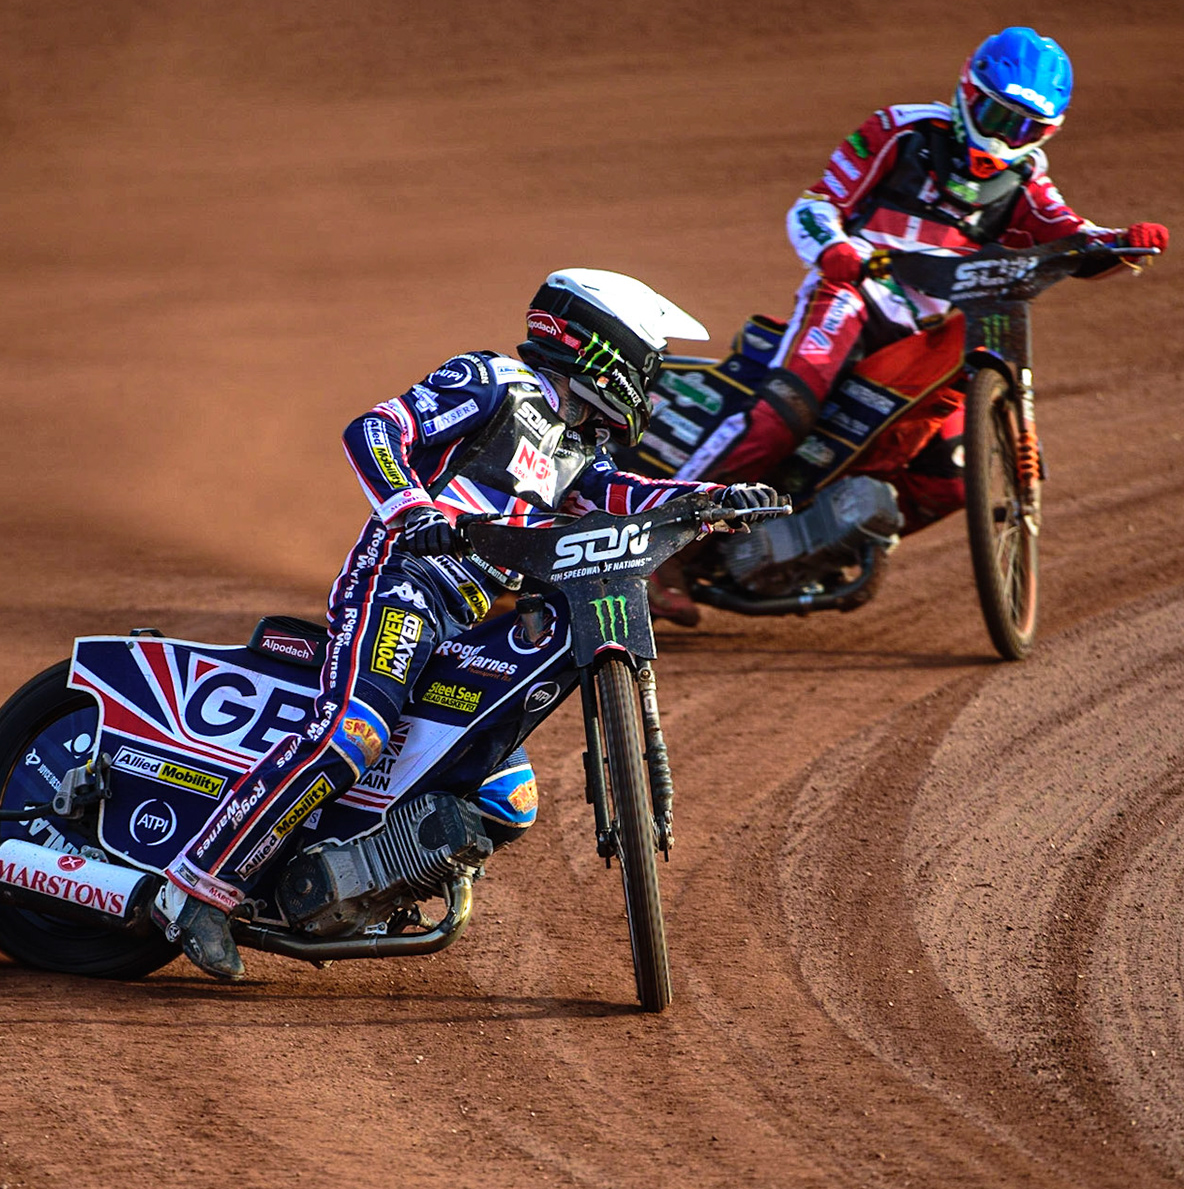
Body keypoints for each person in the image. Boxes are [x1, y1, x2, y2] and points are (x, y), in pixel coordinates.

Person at [151, 269, 777, 980]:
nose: (651, 384)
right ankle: (195, 889)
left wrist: (718, 497)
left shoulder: (577, 449)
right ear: (606, 350)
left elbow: (629, 494)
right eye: (647, 364)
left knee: (505, 797)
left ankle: (358, 882)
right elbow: (377, 429)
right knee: (353, 730)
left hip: (467, 618)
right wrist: (411, 509)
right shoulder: (493, 379)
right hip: (400, 587)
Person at [651, 26, 1170, 625]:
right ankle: (659, 544)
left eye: (1024, 128)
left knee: (954, 481)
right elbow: (814, 206)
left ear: (1047, 132)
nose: (1005, 138)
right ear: (967, 94)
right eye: (997, 115)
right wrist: (834, 251)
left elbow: (1069, 235)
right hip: (852, 296)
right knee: (783, 413)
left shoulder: (1028, 181)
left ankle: (832, 533)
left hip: (929, 335)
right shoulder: (900, 130)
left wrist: (1122, 244)